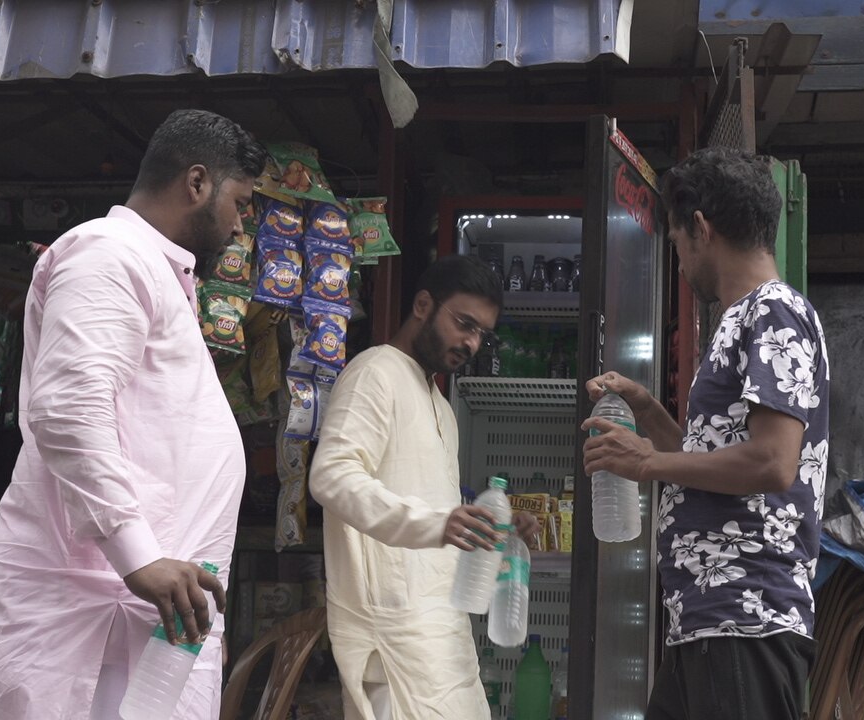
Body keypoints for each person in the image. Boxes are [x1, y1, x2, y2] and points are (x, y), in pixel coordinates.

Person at [0, 109, 268, 719]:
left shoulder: (155, 269)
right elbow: (68, 410)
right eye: (240, 203)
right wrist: (137, 555)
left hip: (144, 614)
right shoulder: (109, 254)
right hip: (97, 605)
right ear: (197, 183)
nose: (241, 225)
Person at [581, 147, 830, 720]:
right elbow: (711, 466)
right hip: (705, 617)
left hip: (747, 612)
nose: (680, 260)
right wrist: (647, 409)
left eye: (675, 242)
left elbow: (772, 463)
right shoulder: (742, 320)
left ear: (700, 227)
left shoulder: (774, 312)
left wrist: (646, 463)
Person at [310, 254, 540, 719]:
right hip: (393, 643)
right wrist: (435, 523)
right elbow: (331, 476)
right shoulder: (375, 372)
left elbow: (437, 518)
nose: (472, 342)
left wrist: (495, 529)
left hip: (443, 639)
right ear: (422, 305)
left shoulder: (441, 406)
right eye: (464, 324)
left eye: (481, 334)